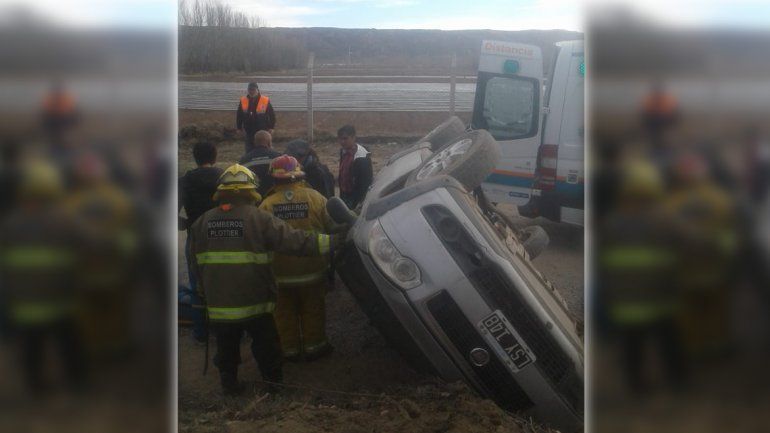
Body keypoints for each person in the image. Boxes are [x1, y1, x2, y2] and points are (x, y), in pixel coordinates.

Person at [189, 164, 343, 395]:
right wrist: (334, 241)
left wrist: (203, 292)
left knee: (226, 345)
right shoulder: (259, 218)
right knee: (265, 345)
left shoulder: (201, 223)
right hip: (255, 301)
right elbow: (295, 241)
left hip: (220, 305)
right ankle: (274, 386)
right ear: (250, 192)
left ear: (221, 192)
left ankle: (229, 385)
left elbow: (195, 265)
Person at [0, 159, 88, 393]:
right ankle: (78, 382)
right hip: (60, 300)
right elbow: (91, 243)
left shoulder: (9, 223)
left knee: (32, 347)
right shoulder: (64, 219)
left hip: (25, 305)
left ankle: (36, 386)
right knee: (69, 343)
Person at [259, 156, 337, 361]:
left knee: (284, 313)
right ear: (300, 175)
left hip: (280, 275)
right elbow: (333, 227)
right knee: (313, 309)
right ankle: (315, 347)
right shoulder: (316, 198)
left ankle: (289, 350)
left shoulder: (266, 205)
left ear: (274, 178)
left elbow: (260, 241)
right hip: (313, 270)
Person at [178, 142, 223, 342]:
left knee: (197, 286)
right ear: (215, 156)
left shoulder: (184, 181)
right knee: (223, 281)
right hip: (223, 235)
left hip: (195, 237)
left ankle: (200, 332)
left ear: (195, 158)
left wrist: (186, 224)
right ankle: (225, 329)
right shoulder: (224, 177)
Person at [337, 125, 373, 209]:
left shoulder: (362, 157)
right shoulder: (343, 151)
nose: (342, 142)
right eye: (340, 139)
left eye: (345, 138)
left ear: (353, 138)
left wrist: (359, 202)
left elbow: (365, 183)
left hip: (355, 197)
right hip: (344, 193)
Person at [239, 131, 280, 198]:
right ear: (269, 143)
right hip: (273, 197)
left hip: (252, 198)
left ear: (255, 142)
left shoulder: (244, 160)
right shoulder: (278, 157)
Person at [236, 82, 275, 153]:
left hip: (262, 130)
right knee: (249, 149)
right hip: (249, 130)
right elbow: (239, 115)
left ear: (257, 90)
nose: (251, 91)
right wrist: (239, 128)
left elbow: (271, 114)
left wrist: (271, 127)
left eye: (253, 90)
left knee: (264, 148)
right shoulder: (243, 100)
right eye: (250, 90)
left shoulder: (265, 100)